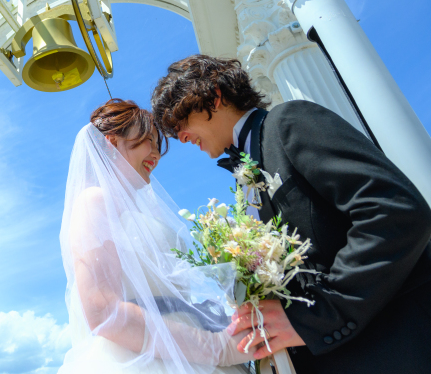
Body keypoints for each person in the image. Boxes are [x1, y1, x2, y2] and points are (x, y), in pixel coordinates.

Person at [150, 55, 431, 373]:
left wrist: (320, 315)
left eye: (180, 122)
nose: (181, 137)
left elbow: (393, 210)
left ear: (214, 96)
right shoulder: (243, 174)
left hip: (393, 349)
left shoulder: (288, 122)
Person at [58, 98, 254, 374]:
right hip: (145, 357)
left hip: (183, 344)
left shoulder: (141, 210)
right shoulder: (95, 201)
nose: (156, 154)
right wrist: (215, 347)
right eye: (147, 140)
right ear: (112, 144)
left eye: (158, 145)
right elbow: (103, 310)